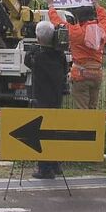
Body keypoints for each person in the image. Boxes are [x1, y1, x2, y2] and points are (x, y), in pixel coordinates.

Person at [48, 0, 106, 109]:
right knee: (92, 107)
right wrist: (97, 5)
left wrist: (51, 6)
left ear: (78, 18)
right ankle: (93, 126)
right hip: (97, 74)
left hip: (80, 75)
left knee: (82, 109)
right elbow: (105, 19)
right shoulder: (101, 30)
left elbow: (58, 22)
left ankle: (84, 126)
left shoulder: (76, 32)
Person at [24, 20, 68, 179]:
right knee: (54, 131)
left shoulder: (36, 55)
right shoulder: (60, 55)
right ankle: (55, 164)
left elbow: (26, 60)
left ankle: (44, 168)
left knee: (42, 133)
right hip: (56, 98)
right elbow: (65, 70)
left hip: (41, 99)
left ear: (38, 37)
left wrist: (36, 46)